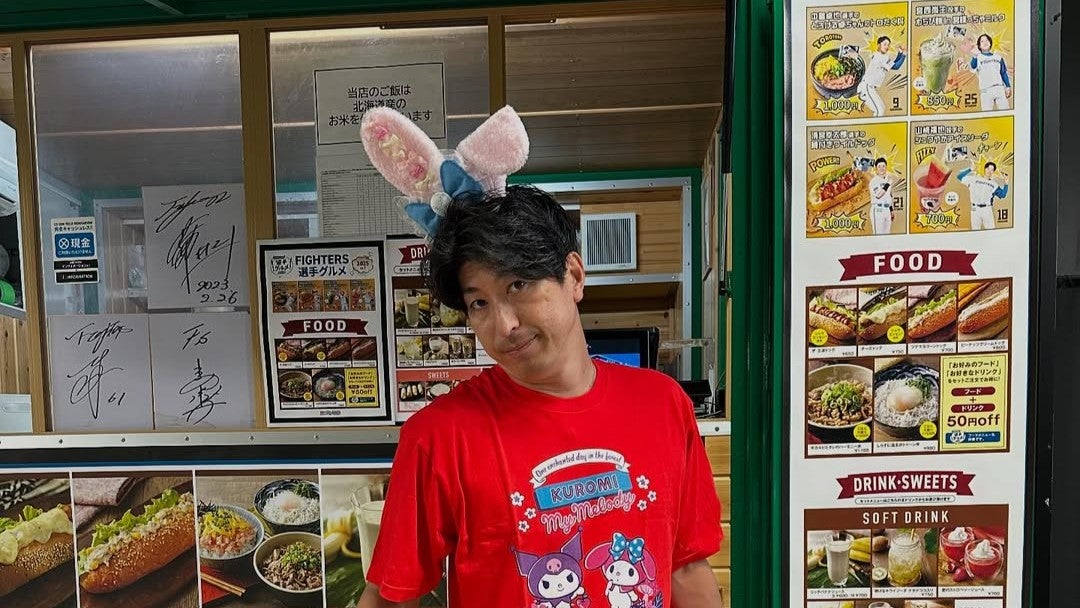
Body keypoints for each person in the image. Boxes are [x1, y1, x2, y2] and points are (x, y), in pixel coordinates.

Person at [356, 185, 724, 607]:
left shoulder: (662, 404)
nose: (504, 325)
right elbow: (390, 595)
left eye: (518, 284)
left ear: (574, 276)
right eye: (479, 303)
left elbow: (685, 565)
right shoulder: (438, 436)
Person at [852, 36, 906, 117]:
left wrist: (900, 52)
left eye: (888, 45)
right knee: (879, 111)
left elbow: (893, 64)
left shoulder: (881, 56)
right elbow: (896, 66)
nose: (887, 47)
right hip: (866, 87)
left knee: (881, 109)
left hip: (869, 87)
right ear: (879, 45)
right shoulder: (880, 57)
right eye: (885, 44)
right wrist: (904, 54)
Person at [957, 160, 1009, 230]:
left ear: (993, 172)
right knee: (975, 231)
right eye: (988, 169)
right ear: (985, 169)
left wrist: (1006, 184)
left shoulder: (994, 185)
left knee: (991, 231)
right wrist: (970, 169)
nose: (989, 171)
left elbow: (1002, 195)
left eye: (992, 170)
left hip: (987, 209)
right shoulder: (974, 179)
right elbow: (959, 177)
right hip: (974, 209)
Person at [967, 34, 1011, 111]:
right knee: (986, 113)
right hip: (986, 90)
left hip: (999, 88)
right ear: (979, 46)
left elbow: (1003, 73)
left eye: (987, 40)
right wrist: (975, 56)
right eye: (982, 41)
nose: (985, 42)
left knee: (1005, 111)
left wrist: (1008, 86)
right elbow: (973, 67)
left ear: (990, 43)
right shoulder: (977, 57)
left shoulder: (998, 57)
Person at [869, 157, 894, 235]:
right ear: (876, 168)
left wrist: (891, 209)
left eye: (883, 166)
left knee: (887, 235)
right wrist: (887, 184)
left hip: (887, 210)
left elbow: (889, 196)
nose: (881, 168)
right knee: (879, 236)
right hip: (877, 209)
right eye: (879, 166)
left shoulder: (886, 179)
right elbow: (878, 195)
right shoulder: (874, 181)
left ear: (886, 167)